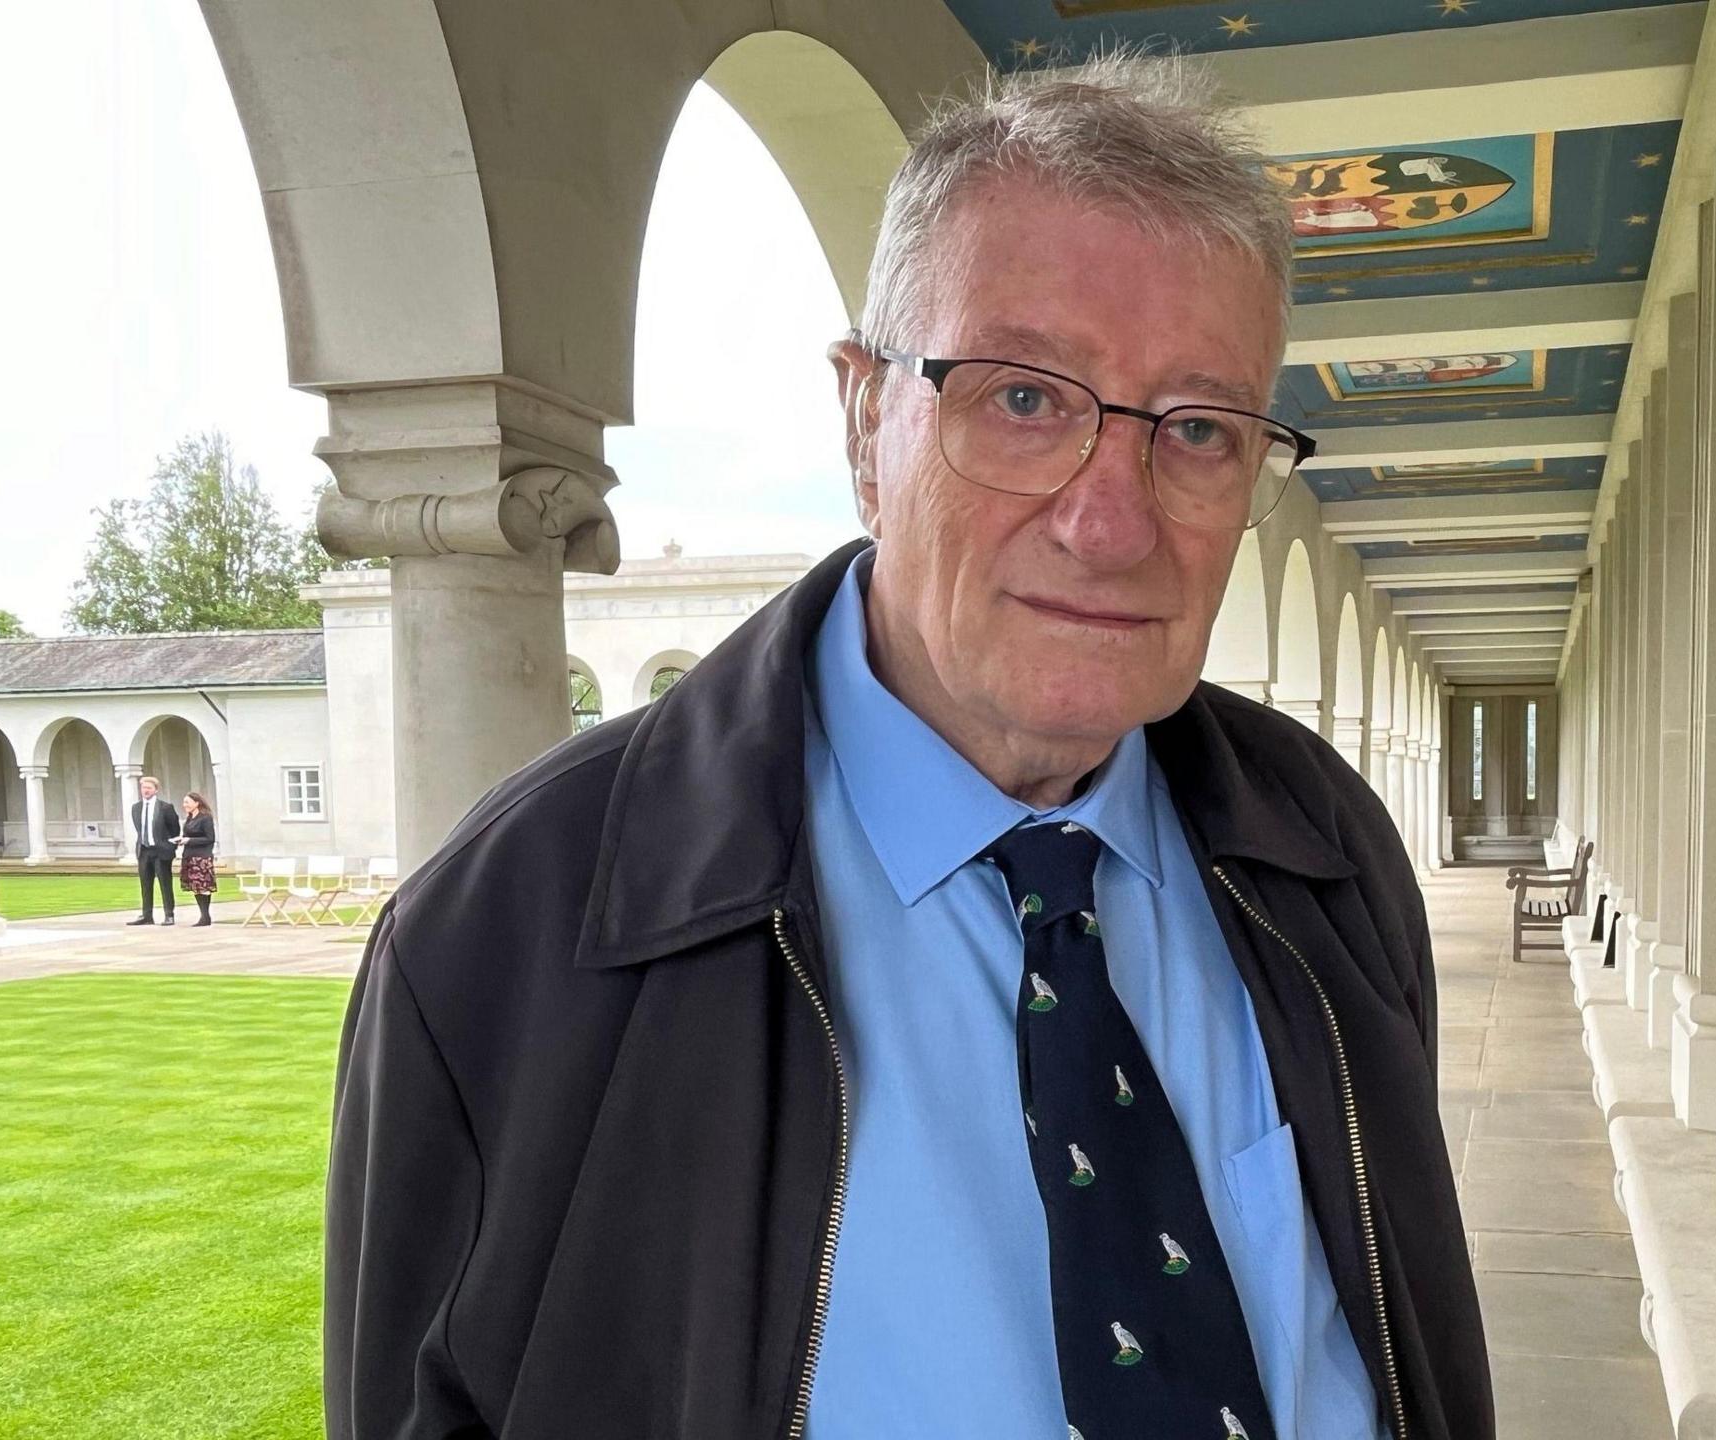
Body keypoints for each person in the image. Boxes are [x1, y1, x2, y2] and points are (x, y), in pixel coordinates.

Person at [325, 51, 1489, 1440]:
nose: (1110, 521)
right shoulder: (507, 930)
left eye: (1196, 427)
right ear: (869, 417)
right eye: (1024, 397)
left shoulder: (1325, 850)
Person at [129, 775, 179, 927]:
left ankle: (169, 915)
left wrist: (170, 847)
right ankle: (146, 915)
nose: (146, 790)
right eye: (144, 788)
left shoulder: (165, 807)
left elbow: (175, 830)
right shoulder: (136, 808)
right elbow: (139, 829)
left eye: (149, 788)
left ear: (156, 790)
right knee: (145, 884)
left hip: (161, 851)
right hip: (144, 851)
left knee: (165, 884)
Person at [177, 792, 217, 926]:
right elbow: (186, 835)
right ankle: (203, 915)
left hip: (201, 857)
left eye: (187, 802)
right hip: (189, 856)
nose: (185, 805)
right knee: (195, 887)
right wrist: (181, 840)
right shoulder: (189, 818)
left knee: (203, 886)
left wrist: (189, 840)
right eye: (184, 802)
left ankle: (205, 916)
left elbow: (209, 838)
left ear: (196, 803)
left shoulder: (205, 818)